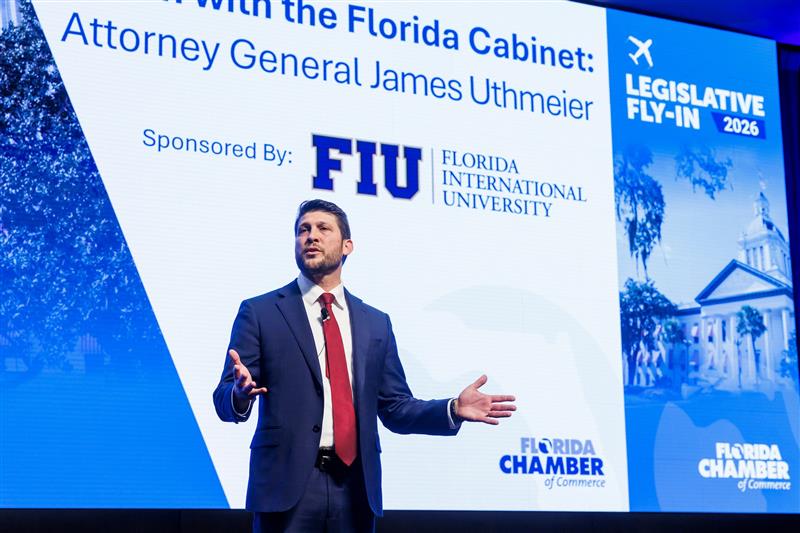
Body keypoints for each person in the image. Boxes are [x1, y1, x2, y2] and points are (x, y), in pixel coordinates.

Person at [213, 199, 516, 532]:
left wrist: (453, 408)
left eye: (322, 228)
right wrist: (240, 394)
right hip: (286, 490)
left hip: (356, 490)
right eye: (303, 230)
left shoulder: (375, 323)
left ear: (347, 246)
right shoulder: (262, 312)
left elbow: (395, 408)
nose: (311, 236)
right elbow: (225, 398)